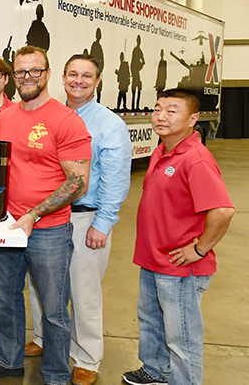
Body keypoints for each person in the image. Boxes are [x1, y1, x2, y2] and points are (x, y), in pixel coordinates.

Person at [0, 46, 91, 385]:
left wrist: (34, 214)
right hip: (6, 226)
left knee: (54, 309)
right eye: (21, 72)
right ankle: (8, 360)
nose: (27, 78)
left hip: (49, 231)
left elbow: (78, 183)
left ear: (47, 74)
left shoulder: (65, 120)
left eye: (34, 71)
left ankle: (56, 372)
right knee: (5, 298)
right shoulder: (6, 117)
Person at [24, 55, 132, 385]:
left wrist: (104, 223)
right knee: (41, 285)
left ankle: (86, 356)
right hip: (49, 217)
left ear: (98, 81)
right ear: (62, 77)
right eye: (73, 74)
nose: (79, 81)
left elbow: (116, 178)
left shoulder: (109, 124)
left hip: (86, 218)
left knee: (83, 291)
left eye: (87, 76)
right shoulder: (52, 115)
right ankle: (44, 339)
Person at [122, 89, 235, 385]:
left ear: (193, 119)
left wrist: (199, 249)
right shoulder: (162, 150)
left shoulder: (195, 159)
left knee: (181, 336)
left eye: (172, 111)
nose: (161, 116)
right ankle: (155, 370)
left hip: (179, 266)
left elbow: (222, 211)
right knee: (151, 322)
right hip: (153, 258)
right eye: (158, 109)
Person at [89, 28, 104, 103]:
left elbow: (102, 59)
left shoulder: (99, 46)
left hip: (99, 70)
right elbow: (92, 59)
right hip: (95, 70)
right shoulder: (95, 45)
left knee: (99, 88)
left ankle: (98, 102)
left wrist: (101, 68)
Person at [131, 35, 145, 111]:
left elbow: (143, 61)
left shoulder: (138, 50)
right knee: (135, 89)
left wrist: (139, 66)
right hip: (135, 73)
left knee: (137, 89)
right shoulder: (137, 50)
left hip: (135, 73)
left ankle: (135, 106)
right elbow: (133, 61)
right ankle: (134, 106)